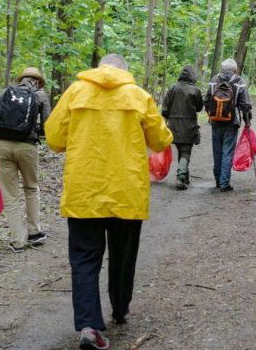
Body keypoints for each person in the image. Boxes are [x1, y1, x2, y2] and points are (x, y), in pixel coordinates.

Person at [44, 54, 173, 350]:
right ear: (125, 71)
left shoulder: (75, 92)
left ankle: (89, 326)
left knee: (84, 260)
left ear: (98, 69)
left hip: (83, 191)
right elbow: (161, 141)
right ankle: (120, 308)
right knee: (123, 256)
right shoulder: (139, 96)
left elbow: (53, 137)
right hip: (126, 192)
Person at [0, 67, 51, 253]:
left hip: (3, 147)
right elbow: (47, 125)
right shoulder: (40, 96)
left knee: (10, 194)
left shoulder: (6, 92)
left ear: (21, 79)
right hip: (27, 147)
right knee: (31, 188)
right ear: (38, 81)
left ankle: (18, 241)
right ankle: (34, 232)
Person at [204, 59, 252, 192]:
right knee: (227, 152)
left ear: (222, 68)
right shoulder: (239, 81)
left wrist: (211, 115)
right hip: (232, 122)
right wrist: (247, 122)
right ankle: (224, 183)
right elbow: (245, 105)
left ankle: (218, 180)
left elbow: (207, 100)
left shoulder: (214, 79)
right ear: (235, 69)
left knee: (217, 151)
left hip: (215, 121)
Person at [162, 66, 203, 190]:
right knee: (185, 151)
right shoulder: (195, 90)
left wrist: (165, 122)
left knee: (181, 150)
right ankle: (181, 177)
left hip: (174, 126)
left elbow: (165, 109)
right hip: (189, 126)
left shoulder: (173, 88)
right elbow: (200, 107)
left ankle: (185, 177)